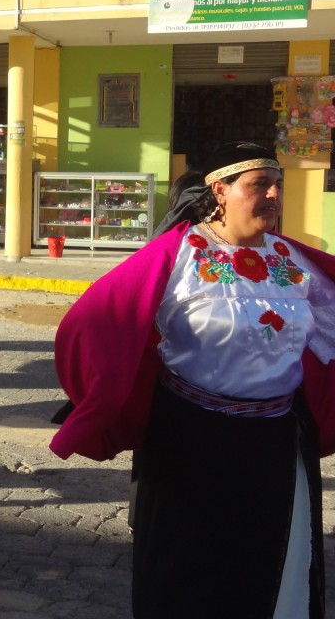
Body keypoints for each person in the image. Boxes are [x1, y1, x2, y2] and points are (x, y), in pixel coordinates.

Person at [50, 141, 335, 618]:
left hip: (276, 445)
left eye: (277, 185)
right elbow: (92, 321)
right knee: (191, 570)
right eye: (259, 184)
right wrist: (98, 391)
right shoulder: (179, 255)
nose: (272, 195)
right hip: (192, 439)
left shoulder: (292, 261)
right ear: (220, 190)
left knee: (273, 563)